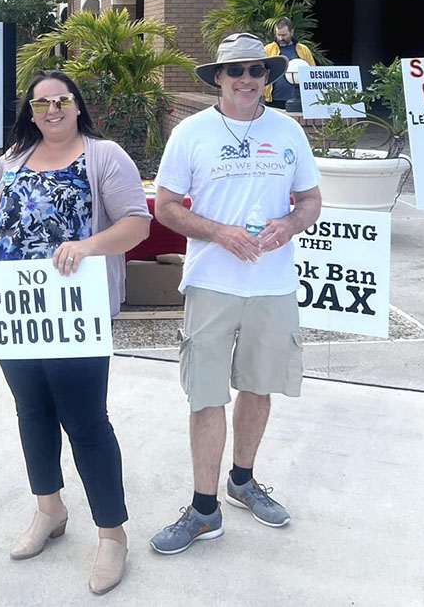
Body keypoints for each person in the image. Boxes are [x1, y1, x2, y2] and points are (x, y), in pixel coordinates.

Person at [0, 70, 150, 595]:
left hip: (74, 310)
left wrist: (87, 246)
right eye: (41, 103)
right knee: (32, 410)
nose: (52, 110)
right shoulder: (15, 158)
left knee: (85, 420)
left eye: (61, 100)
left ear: (76, 105)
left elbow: (137, 222)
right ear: (30, 111)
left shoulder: (105, 156)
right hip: (17, 308)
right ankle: (49, 509)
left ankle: (112, 534)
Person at [151, 32, 321, 555]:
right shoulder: (191, 133)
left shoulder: (289, 130)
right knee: (205, 394)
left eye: (257, 72)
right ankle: (204, 510)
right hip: (211, 281)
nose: (248, 80)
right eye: (236, 72)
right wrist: (219, 232)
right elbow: (165, 206)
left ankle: (242, 481)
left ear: (267, 79)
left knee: (258, 386)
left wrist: (290, 223)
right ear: (219, 78)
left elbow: (312, 199)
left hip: (272, 284)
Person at [264, 17, 315, 110]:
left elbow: (312, 73)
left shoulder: (303, 50)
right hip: (273, 100)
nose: (280, 38)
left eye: (284, 35)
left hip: (299, 101)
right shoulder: (268, 50)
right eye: (278, 35)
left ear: (291, 32)